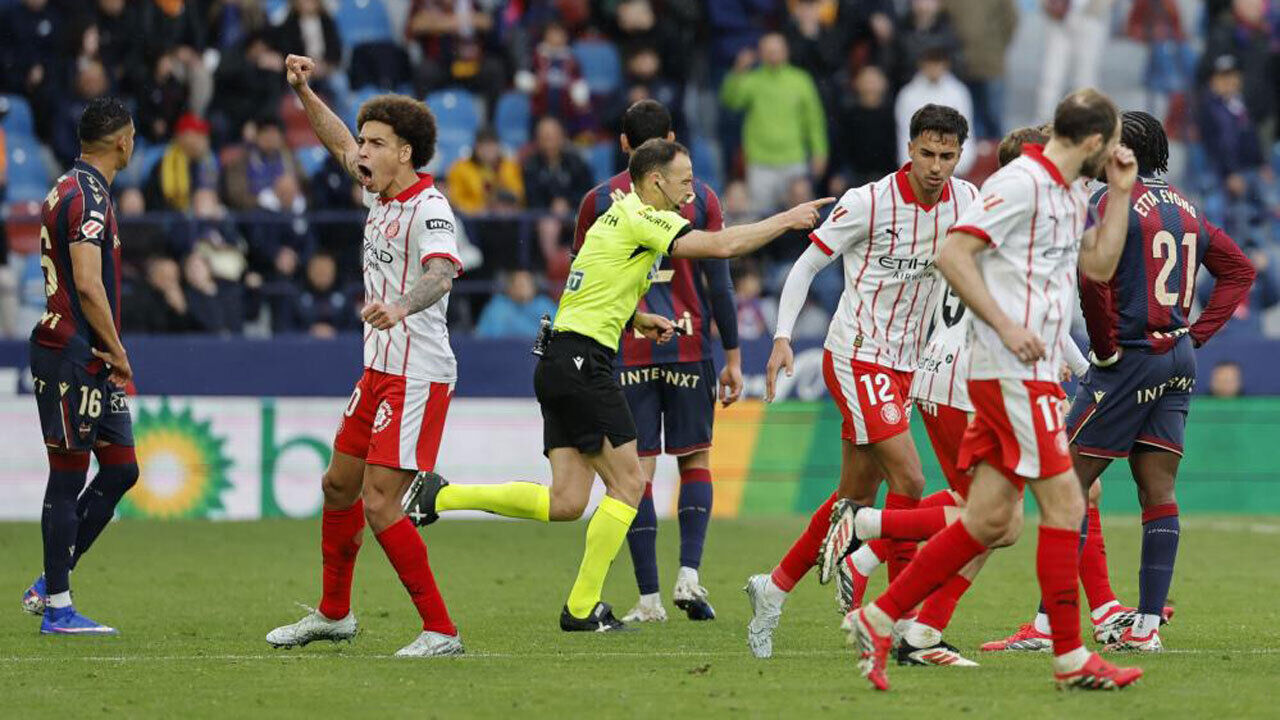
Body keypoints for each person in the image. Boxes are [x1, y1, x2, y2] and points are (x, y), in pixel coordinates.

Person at [405, 138, 833, 632]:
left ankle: (438, 496)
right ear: (655, 182)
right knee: (630, 483)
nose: (691, 191)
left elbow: (590, 287)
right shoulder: (642, 217)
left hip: (559, 358)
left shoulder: (613, 218)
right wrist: (788, 218)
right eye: (685, 181)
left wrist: (637, 317)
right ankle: (583, 607)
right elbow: (721, 246)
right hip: (586, 362)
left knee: (566, 501)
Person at [844, 88, 1144, 692]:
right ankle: (1069, 658)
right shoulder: (1021, 185)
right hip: (1008, 372)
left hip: (1017, 374)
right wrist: (1007, 325)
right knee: (1066, 505)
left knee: (987, 521)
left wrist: (1119, 192)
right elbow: (954, 255)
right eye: (1109, 145)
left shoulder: (1064, 193)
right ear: (1090, 142)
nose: (1113, 153)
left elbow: (1101, 266)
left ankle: (879, 619)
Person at [987, 111, 1255, 653]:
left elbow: (1093, 281)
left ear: (1121, 152)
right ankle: (1145, 628)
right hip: (1176, 359)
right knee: (1158, 492)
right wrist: (1195, 335)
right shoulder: (1188, 207)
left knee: (1067, 484)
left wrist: (1104, 350)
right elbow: (1240, 270)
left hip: (1129, 358)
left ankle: (1046, 626)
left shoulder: (1110, 204)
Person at [744, 104, 979, 659]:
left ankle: (772, 589)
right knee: (912, 480)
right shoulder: (869, 202)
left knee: (855, 496)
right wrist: (781, 337)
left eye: (948, 156)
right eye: (928, 153)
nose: (937, 166)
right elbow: (805, 267)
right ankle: (900, 619)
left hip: (911, 363)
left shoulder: (967, 201)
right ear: (910, 148)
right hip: (858, 355)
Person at [264, 54, 465, 658]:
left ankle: (440, 630)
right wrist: (304, 91)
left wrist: (402, 306)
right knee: (337, 486)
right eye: (364, 142)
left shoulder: (429, 209)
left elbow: (442, 273)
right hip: (377, 369)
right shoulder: (379, 193)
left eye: (375, 144)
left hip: (417, 373)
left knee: (379, 502)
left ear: (405, 152)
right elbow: (337, 142)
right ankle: (334, 614)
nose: (361, 153)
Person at [570, 99, 742, 623]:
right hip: (689, 346)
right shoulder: (702, 198)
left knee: (633, 472)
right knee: (695, 460)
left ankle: (648, 599)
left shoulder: (599, 199)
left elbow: (583, 277)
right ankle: (689, 576)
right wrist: (733, 354)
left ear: (623, 144)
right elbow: (720, 281)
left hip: (626, 350)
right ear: (670, 140)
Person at [20, 98, 138, 635]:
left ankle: (50, 579)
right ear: (121, 141)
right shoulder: (90, 198)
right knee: (67, 477)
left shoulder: (66, 185)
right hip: (73, 351)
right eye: (132, 136)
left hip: (83, 354)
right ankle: (59, 608)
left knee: (120, 468)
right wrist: (116, 349)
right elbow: (88, 284)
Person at [720, 32, 828, 213]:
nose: (773, 55)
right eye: (768, 51)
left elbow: (814, 120)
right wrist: (738, 71)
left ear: (786, 51)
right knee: (762, 217)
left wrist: (820, 151)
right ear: (760, 54)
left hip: (794, 159)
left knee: (801, 215)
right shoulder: (752, 79)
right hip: (760, 161)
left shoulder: (801, 80)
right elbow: (731, 101)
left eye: (777, 50)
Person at [895, 45, 975, 177]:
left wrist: (960, 164)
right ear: (922, 65)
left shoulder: (959, 92)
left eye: (937, 64)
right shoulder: (907, 95)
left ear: (946, 65)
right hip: (918, 169)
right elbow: (904, 133)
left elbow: (967, 132)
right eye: (930, 64)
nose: (934, 69)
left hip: (953, 169)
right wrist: (909, 165)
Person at [445, 126, 525, 214]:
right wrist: (477, 209)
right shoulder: (459, 169)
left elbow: (518, 195)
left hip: (504, 219)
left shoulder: (509, 166)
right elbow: (455, 200)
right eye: (484, 145)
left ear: (498, 146)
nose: (488, 150)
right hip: (471, 221)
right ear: (476, 147)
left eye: (492, 145)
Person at [474, 269, 556, 339]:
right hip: (502, 353)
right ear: (510, 288)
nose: (523, 289)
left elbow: (556, 335)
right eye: (519, 284)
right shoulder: (498, 306)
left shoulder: (544, 305)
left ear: (533, 288)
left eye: (526, 284)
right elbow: (481, 336)